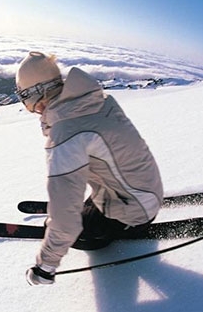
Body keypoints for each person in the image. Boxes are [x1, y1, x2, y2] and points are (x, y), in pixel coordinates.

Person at [15, 51, 164, 286]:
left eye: (27, 100)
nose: (33, 110)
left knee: (84, 239)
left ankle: (117, 226)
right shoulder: (93, 100)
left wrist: (45, 267)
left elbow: (66, 222)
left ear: (38, 94)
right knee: (75, 207)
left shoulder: (67, 133)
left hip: (135, 210)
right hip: (144, 187)